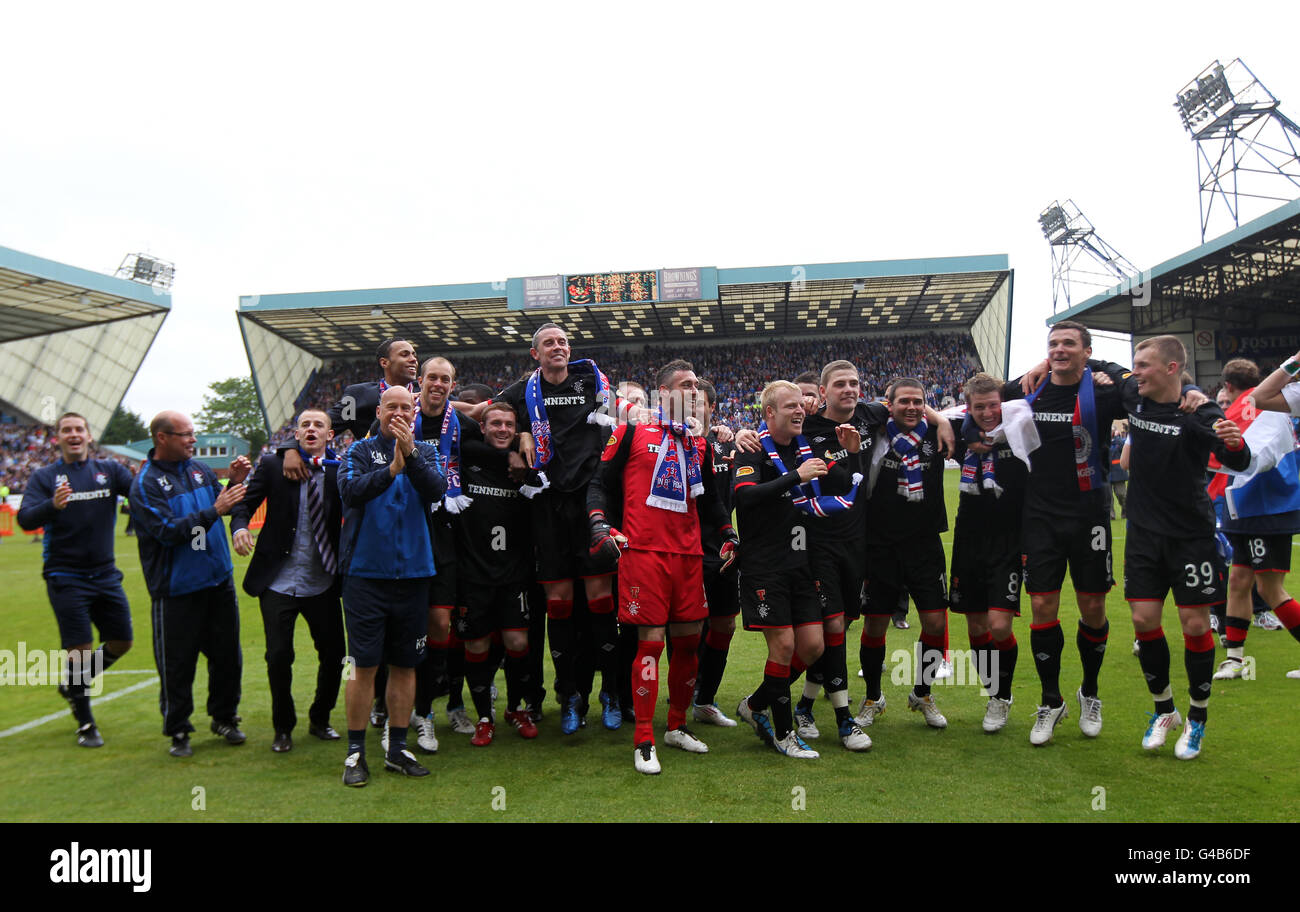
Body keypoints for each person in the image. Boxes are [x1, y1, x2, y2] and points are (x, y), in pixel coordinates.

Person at [588, 359, 735, 773]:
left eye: (697, 384)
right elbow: (599, 483)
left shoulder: (697, 443)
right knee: (650, 644)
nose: (695, 389)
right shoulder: (630, 431)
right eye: (686, 384)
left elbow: (709, 500)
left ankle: (677, 725)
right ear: (666, 393)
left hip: (689, 558)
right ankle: (644, 739)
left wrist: (727, 532)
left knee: (689, 643)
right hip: (643, 552)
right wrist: (600, 524)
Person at [1003, 322, 1132, 745]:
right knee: (1042, 603)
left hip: (1091, 514)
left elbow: (1138, 384)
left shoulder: (1106, 391)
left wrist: (1096, 365)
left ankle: (1089, 692)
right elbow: (987, 394)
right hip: (1040, 514)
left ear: (1086, 351)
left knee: (1092, 606)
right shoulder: (1030, 388)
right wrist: (1039, 365)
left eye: (1068, 345)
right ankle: (1050, 699)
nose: (1059, 350)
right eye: (1053, 344)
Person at [1122, 336, 1249, 759]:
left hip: (1190, 535)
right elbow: (1094, 363)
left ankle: (1197, 718)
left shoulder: (1201, 413)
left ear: (1172, 368)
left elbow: (1239, 462)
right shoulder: (1132, 396)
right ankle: (1164, 710)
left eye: (1144, 365)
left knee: (1195, 626)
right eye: (1134, 364)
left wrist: (1234, 441)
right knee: (1143, 620)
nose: (1135, 371)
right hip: (1142, 531)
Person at [495, 323, 623, 734]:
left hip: (590, 503)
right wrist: (520, 434)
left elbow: (632, 415)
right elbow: (482, 416)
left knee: (602, 602)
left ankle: (611, 692)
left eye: (563, 342)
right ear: (535, 354)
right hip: (547, 506)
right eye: (549, 343)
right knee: (560, 605)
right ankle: (569, 694)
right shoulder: (521, 391)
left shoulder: (591, 383)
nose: (558, 347)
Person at [337, 386, 446, 786]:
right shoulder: (358, 452)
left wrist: (410, 456)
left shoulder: (427, 451)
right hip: (366, 576)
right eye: (392, 407)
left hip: (415, 574)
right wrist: (391, 470)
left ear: (414, 413)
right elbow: (350, 492)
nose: (399, 413)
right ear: (379, 411)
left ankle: (397, 748)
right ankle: (354, 753)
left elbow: (436, 490)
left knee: (405, 665)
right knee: (363, 666)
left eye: (406, 407)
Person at [129, 411, 251, 758]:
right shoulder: (145, 484)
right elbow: (169, 533)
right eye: (185, 435)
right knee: (177, 664)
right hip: (177, 589)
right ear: (161, 438)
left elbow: (223, 506)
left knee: (228, 657)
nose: (193, 440)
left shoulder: (199, 470)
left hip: (217, 581)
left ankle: (224, 717)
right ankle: (178, 729)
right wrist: (215, 508)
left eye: (192, 434)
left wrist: (234, 482)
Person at [16, 413, 135, 748]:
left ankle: (73, 684)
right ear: (58, 438)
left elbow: (140, 494)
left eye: (78, 429)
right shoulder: (45, 476)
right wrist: (52, 506)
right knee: (80, 651)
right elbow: (25, 519)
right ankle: (85, 723)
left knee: (121, 643)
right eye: (66, 430)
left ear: (88, 435)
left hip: (106, 573)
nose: (73, 435)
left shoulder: (109, 471)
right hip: (65, 575)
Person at [230, 409, 346, 753]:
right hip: (278, 580)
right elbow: (245, 505)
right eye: (305, 425)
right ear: (296, 433)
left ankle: (320, 719)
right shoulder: (272, 465)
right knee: (278, 656)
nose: (311, 429)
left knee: (336, 655)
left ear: (330, 435)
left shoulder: (341, 469)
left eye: (319, 425)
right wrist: (238, 528)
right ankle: (283, 727)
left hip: (323, 579)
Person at [732, 381, 826, 759]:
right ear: (769, 413)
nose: (799, 410)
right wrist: (795, 477)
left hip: (800, 563)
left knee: (813, 646)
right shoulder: (751, 449)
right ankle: (784, 733)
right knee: (784, 646)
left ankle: (754, 705)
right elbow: (744, 497)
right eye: (790, 406)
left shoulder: (806, 448)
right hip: (765, 566)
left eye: (801, 405)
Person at [855, 377, 952, 732]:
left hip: (924, 544)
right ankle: (872, 697)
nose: (912, 407)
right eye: (904, 402)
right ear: (888, 404)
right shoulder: (875, 433)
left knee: (936, 623)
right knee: (875, 624)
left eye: (918, 402)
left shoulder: (937, 433)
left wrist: (940, 420)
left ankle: (922, 694)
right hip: (880, 545)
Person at [790, 360, 874, 751]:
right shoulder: (805, 426)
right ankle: (844, 720)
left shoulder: (871, 417)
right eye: (840, 384)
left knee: (836, 631)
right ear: (822, 392)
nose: (849, 389)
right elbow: (767, 431)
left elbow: (911, 404)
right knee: (833, 628)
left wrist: (936, 418)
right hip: (817, 543)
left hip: (856, 544)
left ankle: (803, 705)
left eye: (854, 383)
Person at [947, 374, 1030, 733]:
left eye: (993, 405)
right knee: (976, 625)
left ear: (1003, 403)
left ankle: (1002, 695)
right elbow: (932, 415)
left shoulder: (1019, 425)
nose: (987, 412)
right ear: (969, 408)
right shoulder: (958, 429)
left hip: (1009, 540)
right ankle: (995, 692)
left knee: (999, 625)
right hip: (968, 538)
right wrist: (961, 429)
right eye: (978, 407)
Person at [453, 402, 539, 744]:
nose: (502, 429)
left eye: (509, 424)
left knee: (518, 641)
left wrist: (523, 440)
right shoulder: (466, 460)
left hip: (514, 574)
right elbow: (447, 415)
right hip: (472, 573)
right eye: (495, 424)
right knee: (475, 644)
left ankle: (515, 708)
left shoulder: (524, 466)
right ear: (482, 428)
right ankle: (484, 717)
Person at [1228, 351, 1300, 674]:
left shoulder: (1270, 416)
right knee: (1238, 580)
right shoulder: (1266, 403)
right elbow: (1258, 398)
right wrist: (1292, 364)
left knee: (1268, 588)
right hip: (1248, 504)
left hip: (1270, 506)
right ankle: (1234, 658)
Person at [692, 379, 740, 726]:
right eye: (687, 402)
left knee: (724, 624)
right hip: (684, 548)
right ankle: (688, 691)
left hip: (722, 548)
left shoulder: (729, 447)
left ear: (712, 408)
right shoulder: (670, 443)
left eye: (700, 403)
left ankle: (705, 698)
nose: (693, 408)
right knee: (687, 627)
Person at [1109, 421, 1129, 520]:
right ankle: (1111, 515)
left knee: (1121, 494)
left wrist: (1117, 439)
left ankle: (1125, 510)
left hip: (1118, 473)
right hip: (1106, 473)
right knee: (1108, 497)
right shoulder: (1103, 441)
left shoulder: (1119, 441)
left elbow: (1125, 446)